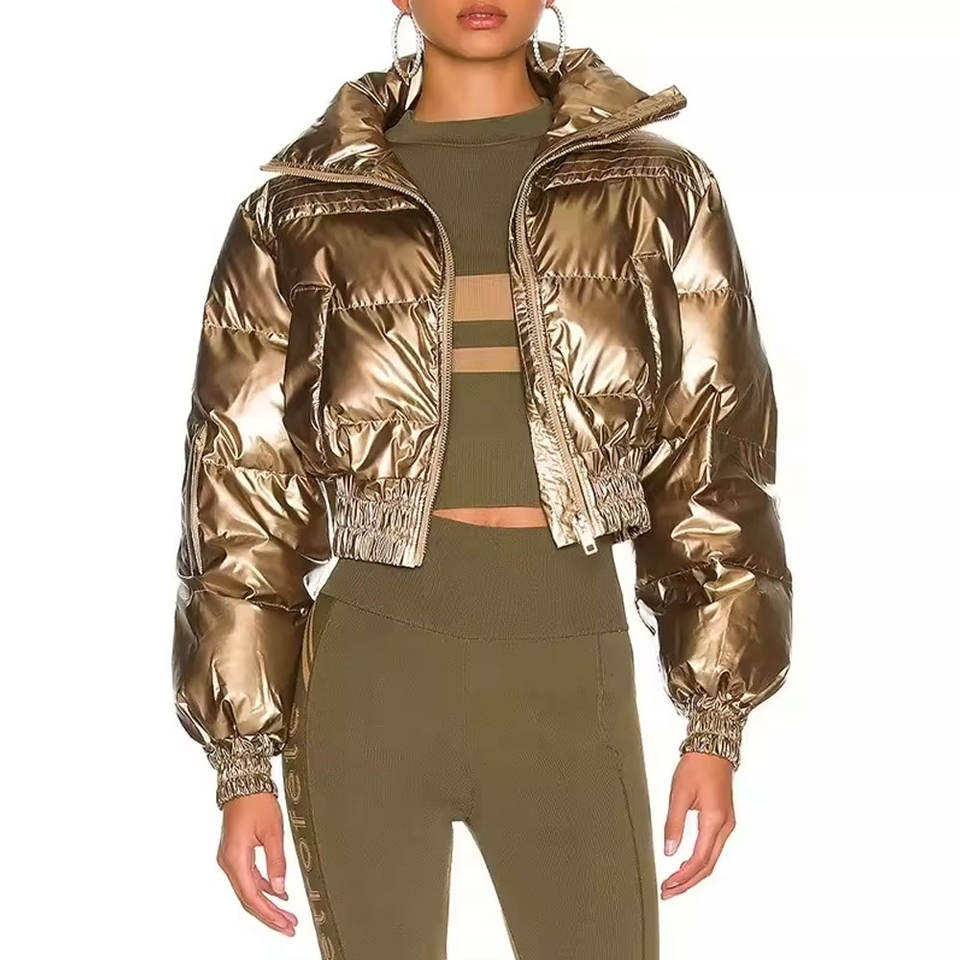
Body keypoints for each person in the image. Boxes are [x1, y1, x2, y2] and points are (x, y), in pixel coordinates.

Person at [171, 2, 792, 957]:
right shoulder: (298, 210)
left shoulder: (659, 188)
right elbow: (241, 484)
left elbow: (714, 451)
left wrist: (716, 725)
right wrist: (241, 762)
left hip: (569, 674)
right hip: (372, 682)